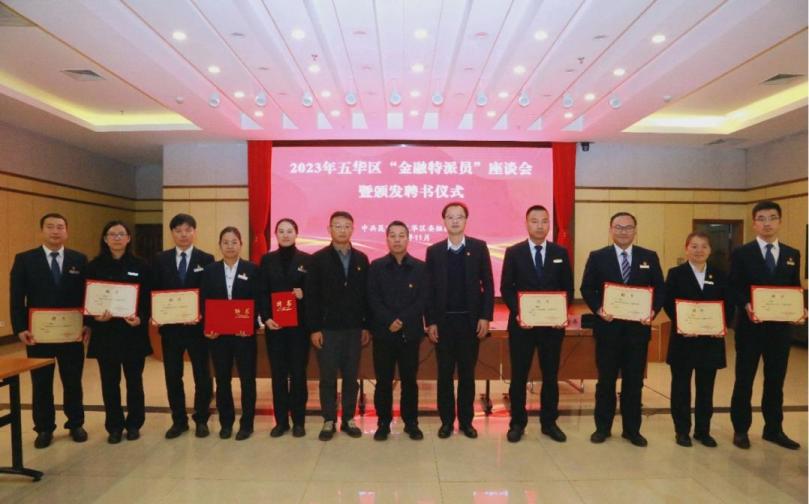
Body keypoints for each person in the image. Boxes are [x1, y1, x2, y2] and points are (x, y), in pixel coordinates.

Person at [580, 212, 664, 447]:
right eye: (618, 227)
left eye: (628, 227)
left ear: (635, 230)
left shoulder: (649, 257)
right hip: (608, 331)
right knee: (605, 382)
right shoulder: (598, 257)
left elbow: (660, 288)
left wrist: (652, 311)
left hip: (638, 332)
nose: (623, 231)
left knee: (634, 383)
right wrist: (599, 309)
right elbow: (587, 288)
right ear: (610, 230)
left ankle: (632, 430)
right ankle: (602, 428)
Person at [729, 201, 806, 450]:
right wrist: (746, 304)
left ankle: (773, 429)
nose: (767, 223)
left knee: (775, 381)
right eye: (761, 219)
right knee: (744, 380)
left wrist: (800, 309)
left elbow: (794, 288)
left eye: (772, 218)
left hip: (780, 330)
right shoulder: (742, 253)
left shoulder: (792, 254)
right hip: (750, 327)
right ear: (754, 224)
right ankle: (741, 429)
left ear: (780, 222)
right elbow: (733, 286)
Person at [9, 213, 89, 448]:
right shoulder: (25, 259)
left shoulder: (79, 259)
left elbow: (87, 294)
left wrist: (87, 323)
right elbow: (16, 297)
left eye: (60, 227)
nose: (55, 231)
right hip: (39, 333)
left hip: (71, 332)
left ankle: (75, 423)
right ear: (42, 230)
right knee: (41, 382)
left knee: (72, 380)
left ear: (67, 231)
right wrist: (20, 328)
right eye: (50, 227)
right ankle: (44, 428)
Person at [500, 205, 573, 443]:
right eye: (534, 221)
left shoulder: (560, 252)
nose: (540, 225)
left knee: (550, 376)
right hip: (522, 326)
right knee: (519, 376)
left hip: (552, 328)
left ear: (549, 224)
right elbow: (506, 288)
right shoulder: (514, 252)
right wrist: (519, 312)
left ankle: (549, 423)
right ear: (526, 224)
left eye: (544, 221)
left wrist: (559, 313)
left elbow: (568, 289)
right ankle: (517, 423)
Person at [425, 202, 494, 439]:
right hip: (443, 324)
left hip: (469, 323)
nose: (455, 221)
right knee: (444, 375)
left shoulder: (478, 247)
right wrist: (430, 321)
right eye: (450, 217)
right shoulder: (434, 251)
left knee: (467, 375)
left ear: (466, 220)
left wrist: (485, 316)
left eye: (460, 217)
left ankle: (466, 422)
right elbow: (429, 290)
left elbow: (488, 284)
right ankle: (446, 422)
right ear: (444, 221)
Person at [84, 220, 152, 444]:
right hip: (106, 334)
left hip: (133, 334)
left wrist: (141, 317)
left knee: (134, 382)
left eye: (121, 234)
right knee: (109, 382)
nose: (117, 238)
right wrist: (93, 317)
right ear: (105, 239)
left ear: (129, 238)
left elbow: (148, 298)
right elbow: (86, 299)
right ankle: (114, 426)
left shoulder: (141, 266)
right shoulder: (93, 267)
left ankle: (134, 424)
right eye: (112, 234)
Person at [663, 232, 732, 448]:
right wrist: (683, 324)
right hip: (683, 340)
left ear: (709, 250)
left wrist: (722, 325)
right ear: (686, 249)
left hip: (710, 341)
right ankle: (682, 431)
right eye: (694, 246)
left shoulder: (720, 275)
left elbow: (728, 303)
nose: (699, 250)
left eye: (704, 246)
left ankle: (703, 431)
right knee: (681, 388)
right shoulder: (675, 274)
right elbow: (668, 302)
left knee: (706, 389)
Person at [306, 211, 370, 441]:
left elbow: (366, 296)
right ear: (329, 229)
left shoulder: (362, 259)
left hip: (354, 329)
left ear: (352, 229)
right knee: (328, 377)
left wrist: (366, 326)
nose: (342, 230)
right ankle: (329, 419)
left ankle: (349, 419)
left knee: (351, 376)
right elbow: (311, 297)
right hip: (327, 330)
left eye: (346, 226)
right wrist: (314, 328)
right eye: (337, 226)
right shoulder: (318, 259)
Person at [151, 213, 215, 439]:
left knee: (202, 375)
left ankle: (201, 419)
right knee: (172, 376)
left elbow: (210, 293)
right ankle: (178, 420)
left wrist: (201, 315)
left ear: (194, 232)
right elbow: (154, 290)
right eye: (178, 230)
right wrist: (156, 314)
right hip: (171, 330)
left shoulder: (206, 259)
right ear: (172, 233)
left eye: (188, 230)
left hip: (198, 329)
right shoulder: (160, 259)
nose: (183, 234)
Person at [367, 221, 428, 441]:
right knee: (383, 381)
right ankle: (383, 422)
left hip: (409, 334)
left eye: (402, 235)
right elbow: (372, 298)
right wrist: (389, 320)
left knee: (409, 381)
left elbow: (422, 299)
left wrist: (401, 320)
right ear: (387, 239)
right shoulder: (376, 266)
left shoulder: (420, 267)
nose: (397, 240)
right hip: (383, 333)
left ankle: (411, 422)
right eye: (392, 235)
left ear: (408, 239)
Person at [201, 226, 259, 441]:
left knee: (247, 381)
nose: (230, 246)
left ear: (241, 244)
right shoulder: (210, 271)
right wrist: (208, 327)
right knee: (222, 380)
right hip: (219, 337)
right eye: (226, 242)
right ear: (220, 245)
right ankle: (226, 423)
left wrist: (251, 325)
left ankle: (247, 424)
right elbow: (204, 301)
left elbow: (258, 300)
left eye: (234, 242)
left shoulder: (252, 269)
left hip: (244, 336)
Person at [258, 218, 312, 438]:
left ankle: (299, 421)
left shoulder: (307, 260)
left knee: (298, 374)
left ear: (296, 233)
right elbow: (262, 292)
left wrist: (304, 293)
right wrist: (266, 318)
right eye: (281, 231)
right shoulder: (267, 260)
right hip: (276, 328)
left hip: (299, 328)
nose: (285, 234)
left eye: (290, 231)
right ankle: (281, 421)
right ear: (276, 235)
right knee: (278, 375)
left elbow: (316, 292)